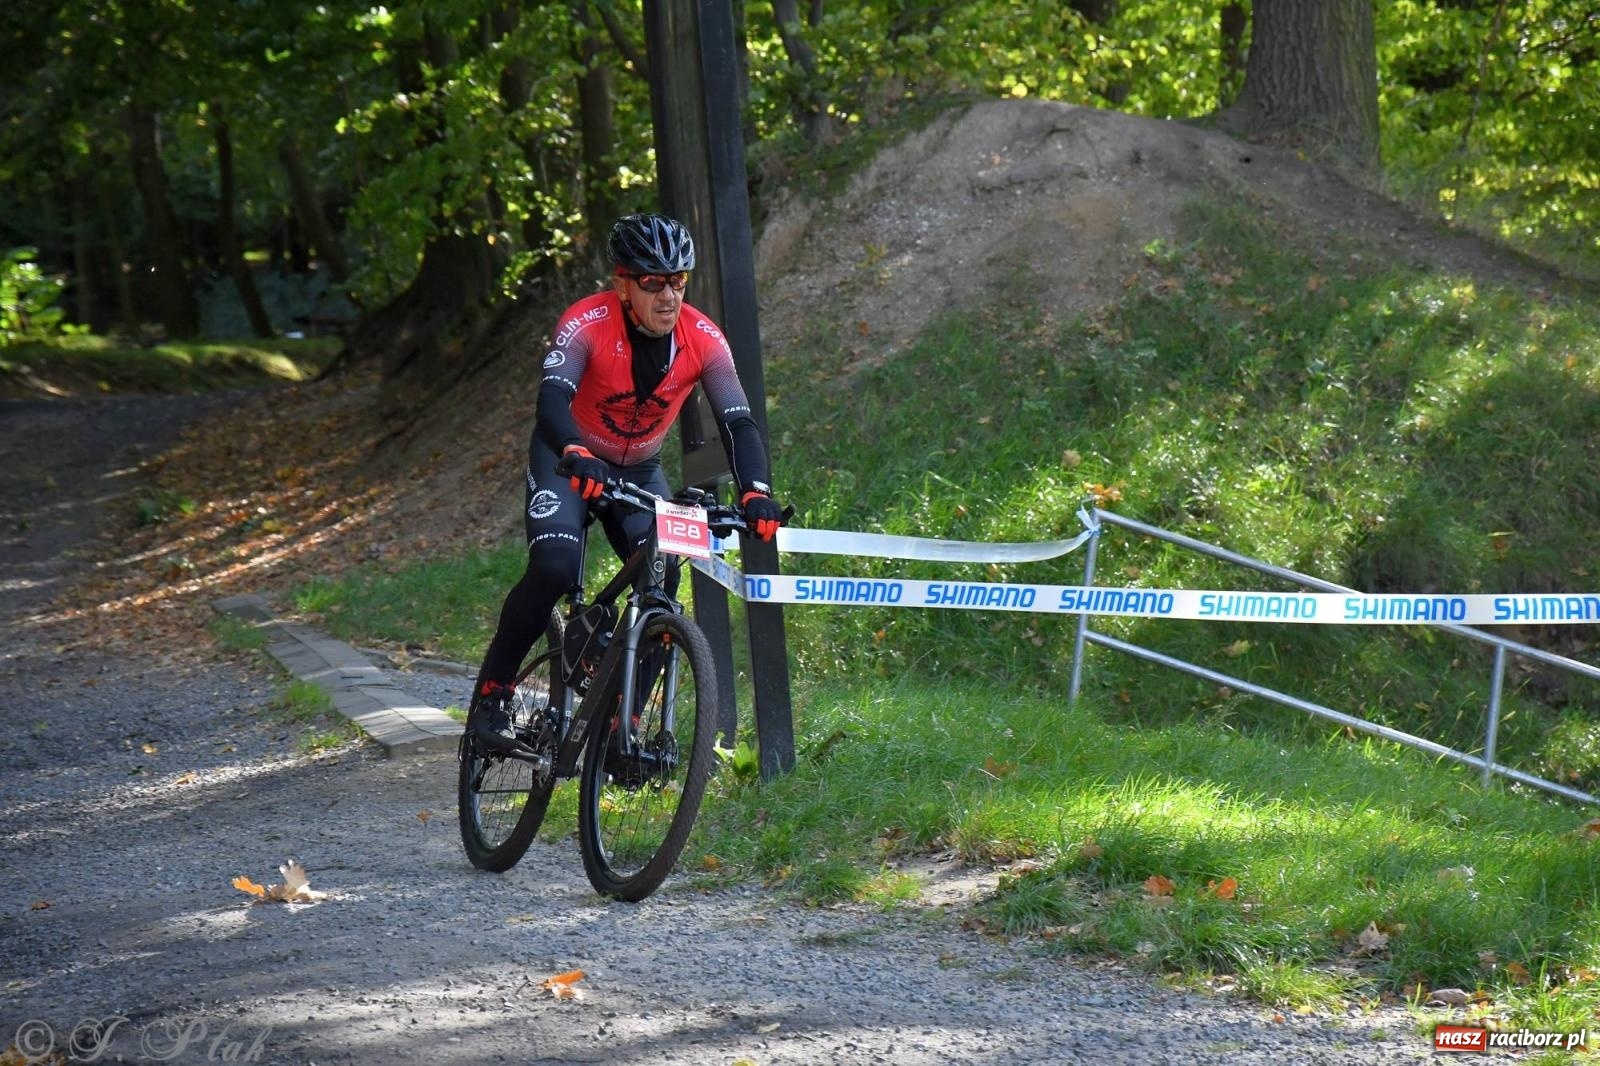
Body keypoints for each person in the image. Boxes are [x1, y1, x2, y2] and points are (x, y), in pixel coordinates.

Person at [467, 212, 783, 755]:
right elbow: (551, 398)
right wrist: (575, 451)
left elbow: (738, 423)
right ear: (622, 283)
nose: (668, 295)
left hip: (638, 469)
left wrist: (755, 491)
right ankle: (492, 697)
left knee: (661, 585)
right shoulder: (586, 322)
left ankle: (622, 726)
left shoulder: (703, 339)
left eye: (678, 280)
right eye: (652, 282)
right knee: (555, 568)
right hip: (568, 458)